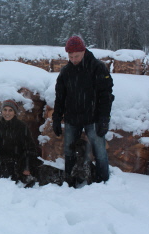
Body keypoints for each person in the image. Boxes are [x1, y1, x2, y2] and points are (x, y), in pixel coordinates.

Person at [52, 35, 114, 183]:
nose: (73, 59)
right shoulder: (66, 72)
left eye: (77, 56)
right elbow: (60, 98)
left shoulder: (97, 68)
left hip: (93, 117)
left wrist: (104, 119)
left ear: (84, 51)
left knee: (99, 151)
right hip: (72, 118)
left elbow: (106, 96)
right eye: (71, 56)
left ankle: (103, 180)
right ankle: (70, 178)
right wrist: (56, 117)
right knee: (69, 151)